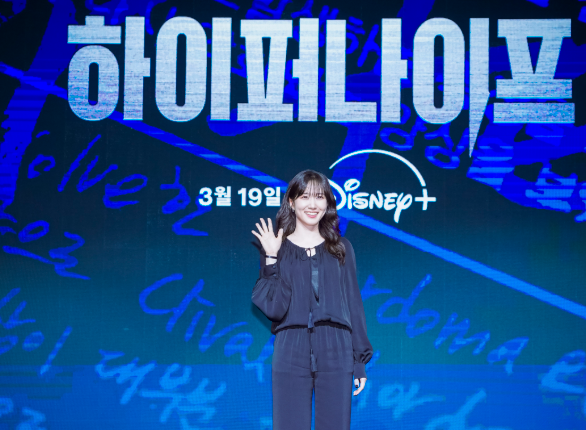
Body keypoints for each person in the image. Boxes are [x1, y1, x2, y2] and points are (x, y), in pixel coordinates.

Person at [251, 169, 373, 430]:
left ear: (328, 203)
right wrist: (271, 257)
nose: (313, 204)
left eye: (319, 197)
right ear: (291, 202)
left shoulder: (341, 247)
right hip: (290, 346)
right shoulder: (276, 247)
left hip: (336, 346)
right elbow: (274, 308)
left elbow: (353, 303)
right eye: (305, 197)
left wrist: (359, 361)